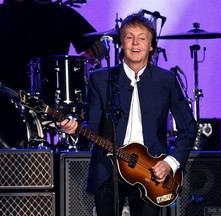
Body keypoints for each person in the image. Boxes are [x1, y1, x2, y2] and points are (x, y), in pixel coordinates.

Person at [60, 11, 198, 216]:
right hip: (108, 171)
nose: (135, 44)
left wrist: (170, 163)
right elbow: (92, 124)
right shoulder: (100, 79)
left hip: (151, 173)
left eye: (142, 38)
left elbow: (189, 128)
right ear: (121, 44)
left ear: (151, 46)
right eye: (129, 38)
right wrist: (75, 130)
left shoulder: (165, 80)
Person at [0, 0, 104, 148]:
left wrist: (78, 65)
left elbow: (99, 46)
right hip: (8, 97)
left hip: (55, 98)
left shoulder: (60, 13)